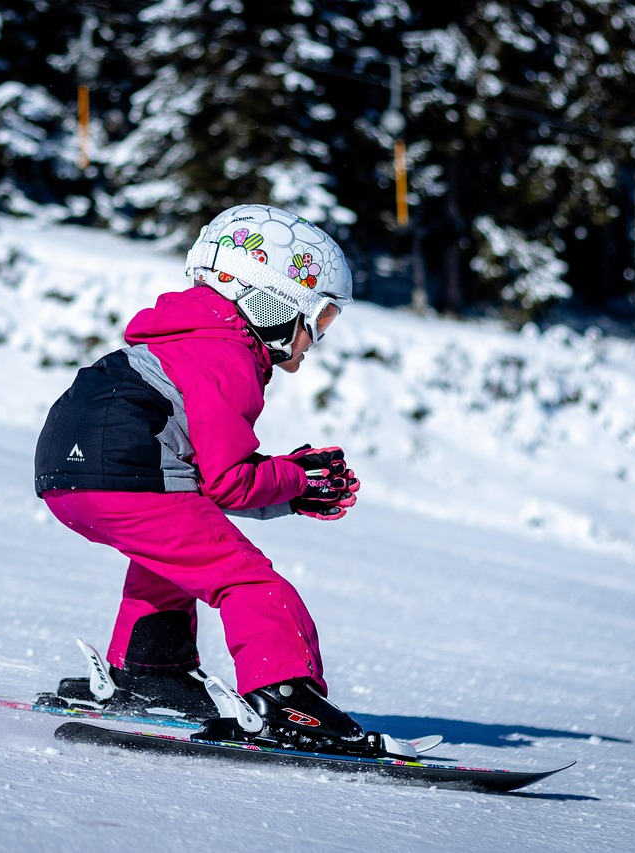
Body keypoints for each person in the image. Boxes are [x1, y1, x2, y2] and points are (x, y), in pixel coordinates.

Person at [34, 204, 373, 754]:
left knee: (172, 555)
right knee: (248, 582)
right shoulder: (227, 354)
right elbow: (229, 483)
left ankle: (154, 672)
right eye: (322, 318)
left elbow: (203, 482)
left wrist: (289, 486)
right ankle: (285, 700)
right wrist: (297, 480)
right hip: (126, 473)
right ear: (275, 302)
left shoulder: (182, 339)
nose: (316, 338)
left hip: (68, 476)